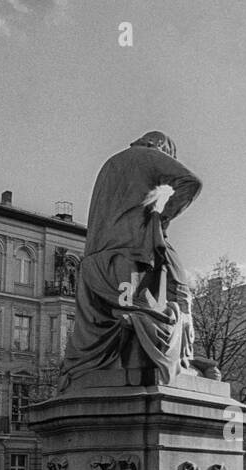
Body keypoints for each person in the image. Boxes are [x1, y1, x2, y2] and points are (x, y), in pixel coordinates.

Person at [60, 131, 204, 389]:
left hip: (95, 264)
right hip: (131, 255)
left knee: (117, 333)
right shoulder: (149, 156)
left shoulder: (111, 164)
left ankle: (115, 373)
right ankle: (173, 362)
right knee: (176, 297)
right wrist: (161, 217)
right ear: (161, 148)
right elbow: (191, 182)